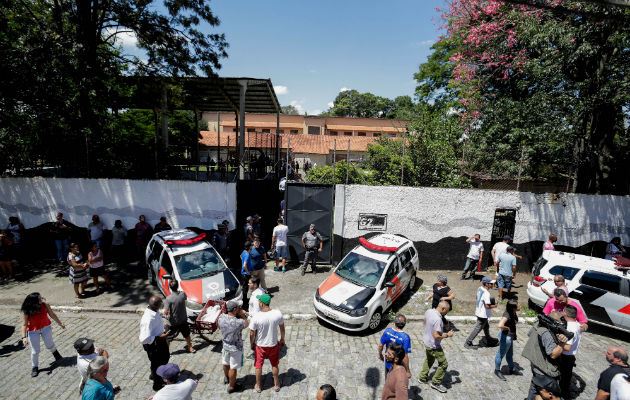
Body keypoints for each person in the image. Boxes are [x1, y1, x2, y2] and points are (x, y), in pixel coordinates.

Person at [522, 311, 570, 400]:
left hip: (536, 366)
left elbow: (530, 333)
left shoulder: (538, 324)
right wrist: (561, 343)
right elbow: (553, 355)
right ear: (556, 322)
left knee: (534, 388)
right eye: (560, 322)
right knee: (550, 395)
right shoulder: (547, 333)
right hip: (545, 372)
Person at [21, 292, 65, 377]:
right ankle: (35, 367)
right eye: (39, 299)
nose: (42, 299)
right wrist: (24, 337)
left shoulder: (45, 305)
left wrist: (60, 323)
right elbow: (24, 324)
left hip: (45, 328)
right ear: (33, 301)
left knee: (50, 344)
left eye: (41, 298)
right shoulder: (27, 310)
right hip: (33, 331)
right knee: (35, 351)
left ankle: (55, 353)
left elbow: (52, 315)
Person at [249, 293, 285, 393]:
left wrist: (252, 343)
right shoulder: (277, 313)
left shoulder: (256, 316)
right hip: (273, 344)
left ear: (262, 303)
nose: (258, 302)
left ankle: (258, 385)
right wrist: (282, 339)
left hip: (260, 346)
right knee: (274, 365)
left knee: (258, 365)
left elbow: (252, 333)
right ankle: (277, 384)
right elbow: (282, 327)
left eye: (259, 301)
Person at [418, 301, 454, 393]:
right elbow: (436, 336)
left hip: (426, 341)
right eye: (447, 311)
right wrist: (447, 335)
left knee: (429, 359)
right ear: (443, 309)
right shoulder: (438, 319)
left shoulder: (429, 311)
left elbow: (425, 322)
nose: (447, 313)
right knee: (443, 364)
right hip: (434, 345)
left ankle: (422, 377)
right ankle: (436, 383)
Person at [139, 296, 170, 391]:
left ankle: (153, 374)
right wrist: (159, 337)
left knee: (161, 360)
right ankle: (157, 384)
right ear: (156, 306)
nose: (162, 305)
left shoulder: (153, 309)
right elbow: (144, 339)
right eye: (161, 304)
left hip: (159, 341)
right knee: (159, 362)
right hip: (154, 345)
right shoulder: (147, 319)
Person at [218, 300, 248, 393]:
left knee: (225, 362)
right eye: (238, 308)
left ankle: (226, 377)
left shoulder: (221, 318)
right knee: (233, 368)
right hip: (235, 348)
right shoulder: (238, 322)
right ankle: (232, 386)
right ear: (235, 309)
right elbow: (246, 323)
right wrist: (242, 315)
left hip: (225, 345)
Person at [465, 276, 497, 349]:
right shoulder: (486, 293)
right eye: (490, 283)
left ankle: (489, 339)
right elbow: (487, 306)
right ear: (486, 284)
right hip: (483, 314)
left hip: (479, 311)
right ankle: (468, 343)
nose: (492, 285)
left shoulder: (480, 288)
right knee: (477, 329)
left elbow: (477, 298)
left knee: (486, 327)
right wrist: (495, 306)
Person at [163, 280, 195, 353]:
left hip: (174, 322)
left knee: (169, 337)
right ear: (177, 286)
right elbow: (185, 299)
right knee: (187, 335)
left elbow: (166, 311)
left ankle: (166, 351)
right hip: (183, 319)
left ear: (170, 288)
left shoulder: (168, 298)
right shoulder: (183, 294)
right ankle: (190, 347)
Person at [378, 314, 411, 379]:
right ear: (404, 324)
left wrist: (380, 354)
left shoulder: (387, 331)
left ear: (395, 322)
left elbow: (380, 345)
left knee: (387, 378)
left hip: (388, 360)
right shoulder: (405, 338)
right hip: (398, 364)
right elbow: (405, 356)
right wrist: (407, 371)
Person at [559, 304, 582, 399]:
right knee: (565, 379)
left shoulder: (570, 328)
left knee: (563, 381)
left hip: (565, 357)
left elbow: (568, 347)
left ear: (565, 313)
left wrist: (558, 343)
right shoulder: (577, 324)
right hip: (570, 357)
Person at [494, 299, 520, 380]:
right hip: (506, 338)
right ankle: (497, 370)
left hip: (510, 337)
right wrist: (506, 328)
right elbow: (500, 325)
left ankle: (511, 368)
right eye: (518, 305)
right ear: (513, 308)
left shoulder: (512, 312)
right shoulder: (507, 315)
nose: (520, 305)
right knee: (501, 354)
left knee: (510, 354)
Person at [240, 241, 253, 309]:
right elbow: (245, 265)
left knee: (244, 288)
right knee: (245, 289)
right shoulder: (247, 254)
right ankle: (244, 303)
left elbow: (240, 256)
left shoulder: (244, 252)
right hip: (246, 274)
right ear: (249, 247)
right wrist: (248, 272)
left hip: (243, 274)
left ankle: (244, 300)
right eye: (251, 246)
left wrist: (243, 261)